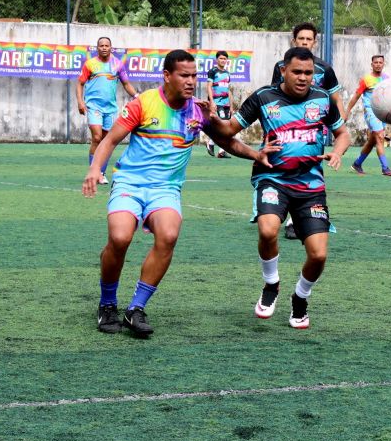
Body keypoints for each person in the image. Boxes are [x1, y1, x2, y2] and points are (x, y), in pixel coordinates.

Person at [82, 49, 276, 336]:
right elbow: (110, 140)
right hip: (130, 183)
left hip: (166, 189)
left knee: (169, 235)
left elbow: (227, 141)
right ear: (167, 76)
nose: (191, 81)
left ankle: (135, 309)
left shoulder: (198, 110)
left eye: (194, 75)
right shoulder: (143, 103)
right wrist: (94, 169)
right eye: (184, 75)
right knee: (120, 238)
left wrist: (256, 155)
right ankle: (107, 304)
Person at [209, 47, 351, 329]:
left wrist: (338, 152)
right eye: (297, 72)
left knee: (319, 254)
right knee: (268, 229)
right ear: (283, 70)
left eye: (308, 73)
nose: (303, 78)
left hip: (311, 185)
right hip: (272, 178)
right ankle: (271, 283)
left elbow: (342, 133)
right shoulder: (264, 97)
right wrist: (210, 119)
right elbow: (227, 132)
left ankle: (300, 297)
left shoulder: (323, 99)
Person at [271, 22, 343, 240]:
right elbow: (274, 96)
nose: (304, 42)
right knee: (281, 165)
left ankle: (297, 219)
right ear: (294, 40)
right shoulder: (281, 66)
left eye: (308, 39)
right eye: (300, 38)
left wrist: (339, 123)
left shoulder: (325, 69)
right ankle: (274, 206)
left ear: (315, 41)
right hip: (286, 128)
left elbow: (335, 98)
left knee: (309, 168)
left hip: (314, 130)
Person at [77, 37, 138, 184]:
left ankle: (101, 173)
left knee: (105, 141)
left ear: (111, 48)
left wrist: (137, 96)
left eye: (107, 45)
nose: (104, 48)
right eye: (101, 45)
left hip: (110, 109)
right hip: (93, 106)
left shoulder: (117, 65)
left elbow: (126, 83)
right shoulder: (90, 64)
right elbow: (80, 84)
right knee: (97, 137)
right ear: (97, 48)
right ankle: (94, 171)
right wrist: (80, 102)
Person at [344, 55, 391, 176]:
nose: (378, 64)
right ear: (371, 64)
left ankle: (357, 164)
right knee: (380, 136)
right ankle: (385, 168)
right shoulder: (366, 80)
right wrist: (348, 110)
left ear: (383, 64)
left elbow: (389, 96)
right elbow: (356, 96)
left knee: (373, 140)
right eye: (375, 62)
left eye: (380, 62)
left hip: (382, 113)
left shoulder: (387, 79)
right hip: (371, 112)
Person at [205, 50, 233, 159]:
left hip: (226, 104)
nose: (223, 60)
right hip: (217, 102)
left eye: (225, 59)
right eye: (221, 58)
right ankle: (211, 143)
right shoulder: (213, 71)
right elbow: (208, 86)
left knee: (226, 126)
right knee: (222, 125)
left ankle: (221, 151)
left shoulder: (227, 73)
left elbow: (228, 89)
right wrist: (211, 102)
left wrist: (231, 105)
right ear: (217, 60)